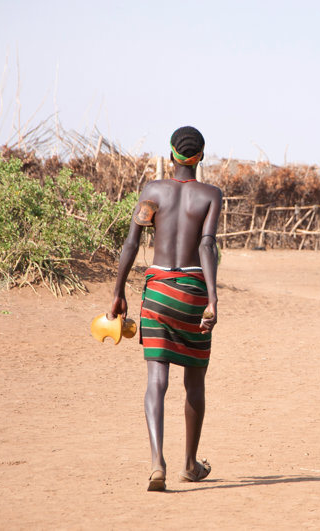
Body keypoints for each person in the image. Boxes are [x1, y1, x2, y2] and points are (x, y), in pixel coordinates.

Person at [109, 126, 222, 491]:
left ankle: (157, 463)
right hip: (192, 293)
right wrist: (213, 299)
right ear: (200, 156)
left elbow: (131, 242)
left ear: (171, 155)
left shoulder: (152, 191)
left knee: (156, 381)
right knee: (195, 381)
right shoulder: (210, 195)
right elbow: (206, 247)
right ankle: (190, 464)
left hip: (157, 292)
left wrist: (118, 290)